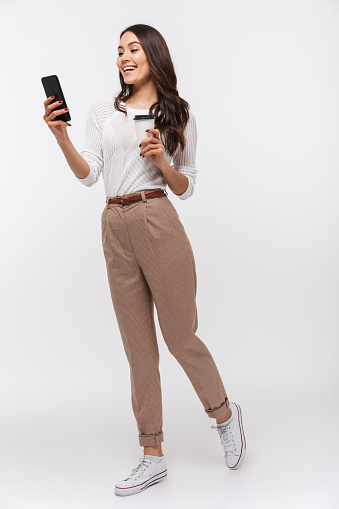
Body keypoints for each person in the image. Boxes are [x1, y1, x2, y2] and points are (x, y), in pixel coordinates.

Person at [43, 23, 246, 497]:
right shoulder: (102, 112)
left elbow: (186, 186)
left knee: (179, 335)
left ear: (153, 54)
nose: (124, 57)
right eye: (119, 50)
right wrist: (60, 138)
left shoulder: (177, 114)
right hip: (114, 224)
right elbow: (89, 175)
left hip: (158, 216)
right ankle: (151, 453)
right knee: (138, 347)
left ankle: (224, 414)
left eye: (133, 48)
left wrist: (161, 163)